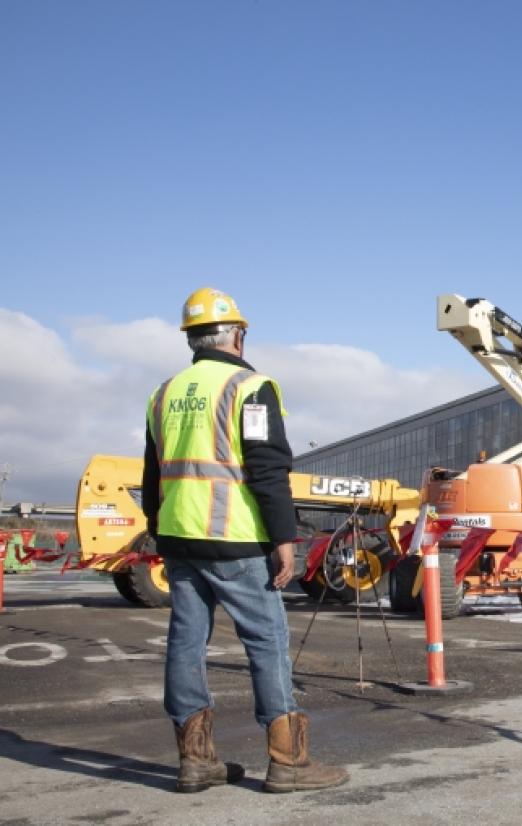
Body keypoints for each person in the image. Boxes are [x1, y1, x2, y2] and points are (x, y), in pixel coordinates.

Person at [142, 288, 348, 794]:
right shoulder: (249, 388)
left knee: (186, 645)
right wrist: (284, 538)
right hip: (236, 540)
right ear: (237, 334)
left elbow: (153, 477)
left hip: (180, 540)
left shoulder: (164, 393)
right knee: (266, 643)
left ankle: (196, 760)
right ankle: (288, 762)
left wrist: (159, 529)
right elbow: (268, 470)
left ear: (191, 338)